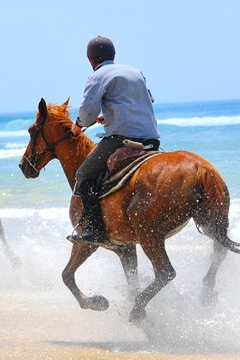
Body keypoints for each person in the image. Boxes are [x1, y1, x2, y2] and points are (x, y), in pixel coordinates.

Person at [67, 36, 161, 245]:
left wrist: (78, 126)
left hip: (121, 139)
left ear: (90, 60)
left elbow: (88, 111)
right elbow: (145, 101)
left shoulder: (98, 76)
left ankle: (95, 229)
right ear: (114, 56)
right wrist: (108, 116)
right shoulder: (136, 72)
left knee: (83, 175)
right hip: (151, 138)